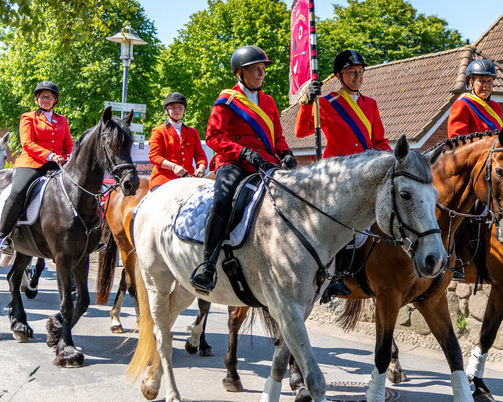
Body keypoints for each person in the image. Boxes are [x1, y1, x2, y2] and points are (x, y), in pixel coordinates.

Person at [190, 45, 296, 291]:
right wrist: (242, 152)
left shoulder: (269, 102)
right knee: (224, 201)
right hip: (234, 163)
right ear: (240, 72)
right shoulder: (226, 100)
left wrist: (286, 153)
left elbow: (277, 137)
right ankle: (208, 262)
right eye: (255, 69)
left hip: (266, 163)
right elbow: (214, 137)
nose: (261, 73)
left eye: (263, 69)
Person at [296, 49, 391, 298]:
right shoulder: (327, 102)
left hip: (365, 172)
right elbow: (301, 131)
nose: (357, 76)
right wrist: (307, 102)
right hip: (337, 173)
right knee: (339, 223)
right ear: (340, 75)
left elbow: (379, 140)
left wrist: (392, 160)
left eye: (360, 72)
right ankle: (332, 275)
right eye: (351, 72)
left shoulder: (370, 104)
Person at [0, 81, 73, 254]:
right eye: (43, 97)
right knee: (18, 192)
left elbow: (68, 144)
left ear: (55, 100)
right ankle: (3, 237)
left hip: (58, 163)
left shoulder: (62, 120)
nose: (46, 100)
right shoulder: (28, 117)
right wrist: (49, 155)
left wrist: (69, 156)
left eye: (50, 97)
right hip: (32, 162)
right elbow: (27, 143)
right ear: (37, 98)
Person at [148, 92, 207, 190]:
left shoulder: (193, 132)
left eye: (180, 107)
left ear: (184, 110)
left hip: (188, 178)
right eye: (173, 107)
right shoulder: (158, 131)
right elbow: (154, 156)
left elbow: (199, 155)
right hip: (164, 178)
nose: (177, 110)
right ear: (167, 110)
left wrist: (201, 166)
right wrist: (173, 167)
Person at [447, 57, 503, 137]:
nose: (486, 86)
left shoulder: (496, 106)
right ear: (471, 82)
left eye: (489, 81)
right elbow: (457, 141)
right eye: (481, 81)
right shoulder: (462, 104)